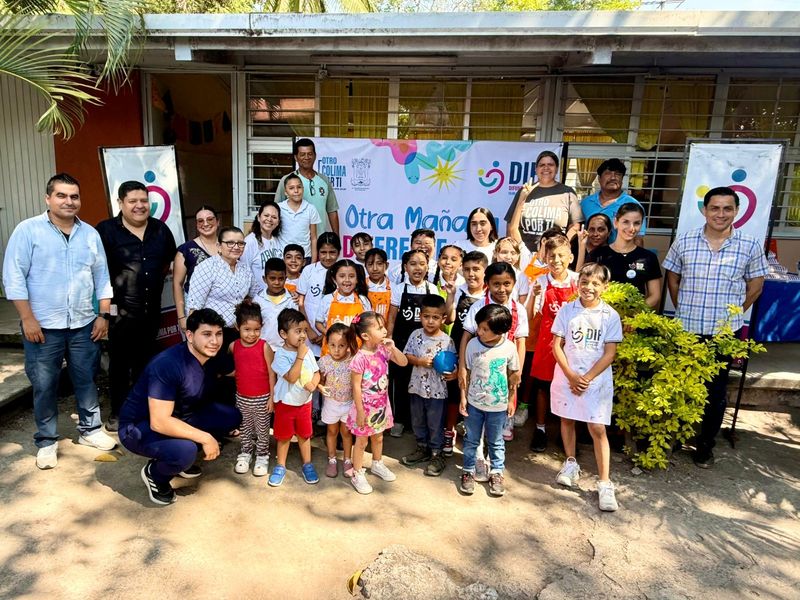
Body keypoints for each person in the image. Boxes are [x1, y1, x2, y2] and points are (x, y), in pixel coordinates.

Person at [3, 173, 117, 469]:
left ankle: (90, 430)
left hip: (82, 324)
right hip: (42, 327)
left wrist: (103, 314)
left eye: (74, 196)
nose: (69, 201)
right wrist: (27, 318)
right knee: (44, 384)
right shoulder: (28, 231)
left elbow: (102, 277)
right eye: (62, 196)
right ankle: (47, 440)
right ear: (48, 198)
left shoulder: (90, 234)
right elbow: (13, 278)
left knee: (86, 379)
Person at [663, 186, 768, 468]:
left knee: (716, 392)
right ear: (704, 210)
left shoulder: (749, 244)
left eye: (727, 208)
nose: (720, 214)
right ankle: (674, 436)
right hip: (687, 329)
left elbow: (756, 286)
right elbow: (672, 278)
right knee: (681, 386)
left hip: (724, 334)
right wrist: (683, 308)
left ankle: (705, 445)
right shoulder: (684, 241)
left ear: (736, 211)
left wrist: (733, 316)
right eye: (715, 208)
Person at [118, 309, 241, 506]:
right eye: (207, 334)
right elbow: (160, 422)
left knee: (231, 417)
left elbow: (240, 372)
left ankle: (179, 459)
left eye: (218, 334)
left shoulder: (211, 354)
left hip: (183, 414)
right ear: (190, 335)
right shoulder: (168, 364)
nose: (215, 341)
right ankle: (156, 475)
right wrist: (205, 437)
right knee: (186, 451)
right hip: (140, 426)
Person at [96, 180, 177, 432]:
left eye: (144, 201)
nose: (140, 206)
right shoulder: (106, 231)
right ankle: (119, 412)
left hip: (150, 312)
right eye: (133, 201)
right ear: (120, 203)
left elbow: (168, 263)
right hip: (118, 313)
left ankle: (142, 410)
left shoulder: (161, 230)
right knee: (119, 364)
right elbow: (99, 275)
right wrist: (105, 316)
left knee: (145, 363)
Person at [551, 263, 623, 512]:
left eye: (595, 283)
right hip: (567, 377)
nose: (588, 287)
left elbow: (610, 353)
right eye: (584, 281)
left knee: (597, 427)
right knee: (567, 419)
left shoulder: (610, 316)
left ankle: (604, 483)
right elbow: (556, 345)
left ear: (605, 287)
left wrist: (587, 378)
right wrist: (571, 375)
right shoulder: (567, 311)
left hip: (596, 381)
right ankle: (570, 464)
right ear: (578, 282)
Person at [459, 262, 528, 455]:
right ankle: (477, 453)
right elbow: (466, 336)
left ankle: (495, 458)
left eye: (507, 283)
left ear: (514, 283)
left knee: (499, 416)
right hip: (479, 368)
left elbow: (521, 342)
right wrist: (464, 368)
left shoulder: (518, 310)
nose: (502, 289)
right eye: (496, 284)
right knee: (477, 412)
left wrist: (518, 371)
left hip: (504, 369)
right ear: (488, 284)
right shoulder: (479, 306)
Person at [459, 304, 520, 497]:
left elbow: (513, 376)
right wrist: (463, 397)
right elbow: (466, 373)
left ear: (500, 331)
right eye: (479, 327)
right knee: (471, 440)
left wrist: (511, 401)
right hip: (474, 404)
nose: (479, 331)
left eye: (485, 329)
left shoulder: (509, 348)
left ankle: (496, 472)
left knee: (496, 441)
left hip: (498, 406)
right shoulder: (473, 345)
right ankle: (468, 471)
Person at [348, 312, 409, 494]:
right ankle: (357, 473)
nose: (384, 331)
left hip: (381, 405)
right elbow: (356, 387)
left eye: (383, 327)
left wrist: (393, 348)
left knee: (379, 437)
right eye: (379, 328)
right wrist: (359, 411)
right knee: (361, 442)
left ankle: (377, 463)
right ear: (365, 335)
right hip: (364, 407)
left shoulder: (384, 349)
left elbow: (404, 362)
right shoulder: (359, 359)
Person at [529, 235, 579, 453]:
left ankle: (565, 432)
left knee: (569, 386)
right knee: (542, 387)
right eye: (551, 256)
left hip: (573, 344)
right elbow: (532, 315)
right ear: (545, 258)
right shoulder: (540, 281)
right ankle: (540, 429)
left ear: (570, 257)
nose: (556, 260)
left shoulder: (578, 280)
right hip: (546, 343)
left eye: (560, 255)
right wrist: (535, 296)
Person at [401, 294, 457, 477]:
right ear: (420, 316)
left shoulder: (447, 341)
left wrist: (454, 373)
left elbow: (454, 363)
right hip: (416, 387)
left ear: (443, 318)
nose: (430, 321)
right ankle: (422, 448)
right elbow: (406, 356)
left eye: (435, 317)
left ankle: (436, 453)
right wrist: (419, 361)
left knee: (435, 423)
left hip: (438, 391)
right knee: (417, 420)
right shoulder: (415, 335)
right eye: (426, 316)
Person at [386, 248, 438, 436]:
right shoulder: (399, 289)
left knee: (421, 383)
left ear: (427, 266)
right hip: (401, 342)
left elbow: (437, 317)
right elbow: (391, 318)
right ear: (405, 267)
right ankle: (398, 420)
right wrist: (390, 341)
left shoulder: (432, 289)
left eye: (422, 264)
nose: (418, 268)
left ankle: (418, 422)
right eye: (413, 264)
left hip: (424, 345)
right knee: (400, 382)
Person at [268, 308, 321, 487]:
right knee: (283, 437)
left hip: (304, 403)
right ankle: (280, 466)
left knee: (304, 435)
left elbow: (316, 372)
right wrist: (299, 356)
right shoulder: (280, 355)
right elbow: (291, 377)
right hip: (286, 403)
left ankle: (307, 464)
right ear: (283, 333)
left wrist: (314, 383)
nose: (303, 336)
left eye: (304, 330)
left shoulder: (306, 351)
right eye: (297, 331)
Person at [443, 251, 487, 457]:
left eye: (476, 269)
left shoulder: (488, 296)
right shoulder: (459, 290)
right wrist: (451, 295)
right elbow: (449, 319)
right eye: (467, 269)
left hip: (480, 353)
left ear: (484, 271)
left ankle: (473, 436)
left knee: (475, 394)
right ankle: (449, 431)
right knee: (454, 392)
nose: (471, 274)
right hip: (458, 347)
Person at [187, 226, 260, 348]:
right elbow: (194, 308)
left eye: (240, 243)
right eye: (230, 243)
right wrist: (196, 341)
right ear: (219, 246)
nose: (236, 247)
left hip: (238, 333)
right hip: (212, 333)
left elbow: (256, 294)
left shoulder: (245, 268)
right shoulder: (207, 268)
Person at [506, 150, 583, 255]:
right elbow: (511, 225)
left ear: (556, 169)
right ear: (536, 169)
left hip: (554, 257)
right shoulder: (524, 191)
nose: (546, 168)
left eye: (550, 164)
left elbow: (575, 226)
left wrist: (562, 247)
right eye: (542, 165)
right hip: (525, 256)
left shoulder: (567, 193)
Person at [230, 300, 276, 478]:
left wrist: (272, 398)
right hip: (242, 397)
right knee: (246, 427)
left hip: (262, 397)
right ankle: (245, 452)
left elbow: (272, 374)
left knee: (263, 429)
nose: (251, 334)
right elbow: (233, 368)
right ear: (237, 327)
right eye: (247, 330)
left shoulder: (264, 346)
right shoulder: (233, 346)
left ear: (261, 327)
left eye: (256, 329)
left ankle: (262, 455)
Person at [589, 203, 662, 308]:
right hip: (602, 318)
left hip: (633, 321)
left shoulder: (648, 257)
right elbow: (587, 287)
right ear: (616, 223)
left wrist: (633, 315)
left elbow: (655, 295)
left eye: (637, 223)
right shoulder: (597, 255)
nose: (631, 228)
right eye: (625, 222)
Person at [275, 138, 340, 235]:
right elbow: (275, 211)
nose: (306, 157)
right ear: (296, 157)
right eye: (302, 154)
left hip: (319, 240)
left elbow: (332, 211)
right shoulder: (287, 180)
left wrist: (336, 237)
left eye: (310, 154)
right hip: (294, 241)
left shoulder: (324, 180)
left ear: (315, 156)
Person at [317, 323, 358, 479]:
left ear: (348, 345)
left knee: (346, 433)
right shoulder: (324, 361)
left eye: (341, 345)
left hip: (349, 403)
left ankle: (347, 460)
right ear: (327, 343)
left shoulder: (354, 360)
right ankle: (332, 459)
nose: (336, 349)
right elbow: (318, 380)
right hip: (331, 403)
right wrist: (320, 387)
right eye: (332, 345)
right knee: (332, 431)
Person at [173, 205, 219, 332]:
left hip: (223, 308)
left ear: (217, 221)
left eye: (210, 219)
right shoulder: (186, 250)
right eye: (200, 221)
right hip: (196, 308)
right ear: (196, 224)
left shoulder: (228, 246)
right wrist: (181, 316)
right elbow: (178, 284)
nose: (206, 224)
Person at [580, 159, 647, 243]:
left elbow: (638, 239)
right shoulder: (586, 203)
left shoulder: (633, 206)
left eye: (618, 174)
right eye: (608, 173)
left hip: (620, 255)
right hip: (589, 254)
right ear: (599, 178)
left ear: (622, 180)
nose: (613, 177)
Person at [297, 232, 341, 357]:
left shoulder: (343, 272)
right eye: (323, 252)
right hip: (309, 336)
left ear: (339, 252)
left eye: (332, 252)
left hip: (335, 338)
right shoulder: (309, 270)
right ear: (318, 251)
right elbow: (301, 304)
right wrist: (309, 330)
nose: (327, 257)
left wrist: (326, 335)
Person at [316, 258, 371, 356]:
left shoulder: (363, 300)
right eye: (342, 276)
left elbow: (369, 324)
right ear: (334, 279)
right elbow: (318, 322)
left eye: (351, 276)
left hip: (356, 353)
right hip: (331, 354)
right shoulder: (327, 299)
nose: (347, 280)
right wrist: (329, 334)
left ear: (357, 279)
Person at [254, 257, 298, 352]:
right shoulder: (257, 300)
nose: (277, 282)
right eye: (272, 278)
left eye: (281, 279)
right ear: (265, 279)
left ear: (286, 279)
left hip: (286, 350)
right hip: (263, 349)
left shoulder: (292, 300)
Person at [242, 200, 284, 294]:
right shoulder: (249, 242)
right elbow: (244, 272)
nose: (269, 219)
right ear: (258, 217)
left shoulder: (278, 241)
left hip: (276, 296)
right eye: (266, 215)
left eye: (274, 217)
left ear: (278, 222)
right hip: (257, 297)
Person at [279, 173, 321, 264]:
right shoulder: (279, 209)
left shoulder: (310, 209)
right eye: (291, 188)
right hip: (283, 257)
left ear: (303, 189)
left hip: (305, 257)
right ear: (286, 192)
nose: (296, 191)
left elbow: (313, 238)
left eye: (299, 187)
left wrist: (313, 262)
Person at [365, 247, 391, 319]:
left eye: (379, 264)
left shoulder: (394, 288)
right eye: (370, 264)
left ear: (386, 265)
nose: (375, 268)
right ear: (365, 266)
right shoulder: (361, 286)